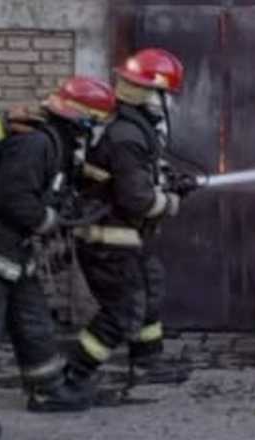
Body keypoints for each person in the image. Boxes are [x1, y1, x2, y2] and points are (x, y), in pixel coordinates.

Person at [0, 76, 116, 433]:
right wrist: (46, 220)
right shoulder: (36, 143)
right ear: (83, 120)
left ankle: (48, 389)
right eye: (95, 123)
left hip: (10, 250)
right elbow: (14, 198)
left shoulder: (53, 140)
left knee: (32, 318)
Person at [66, 48, 198, 393]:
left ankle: (147, 362)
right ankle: (73, 376)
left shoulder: (133, 128)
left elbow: (137, 174)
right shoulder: (127, 135)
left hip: (127, 237)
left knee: (150, 291)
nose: (169, 102)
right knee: (123, 311)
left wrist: (169, 179)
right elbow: (137, 199)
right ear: (148, 94)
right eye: (165, 94)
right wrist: (171, 201)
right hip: (108, 241)